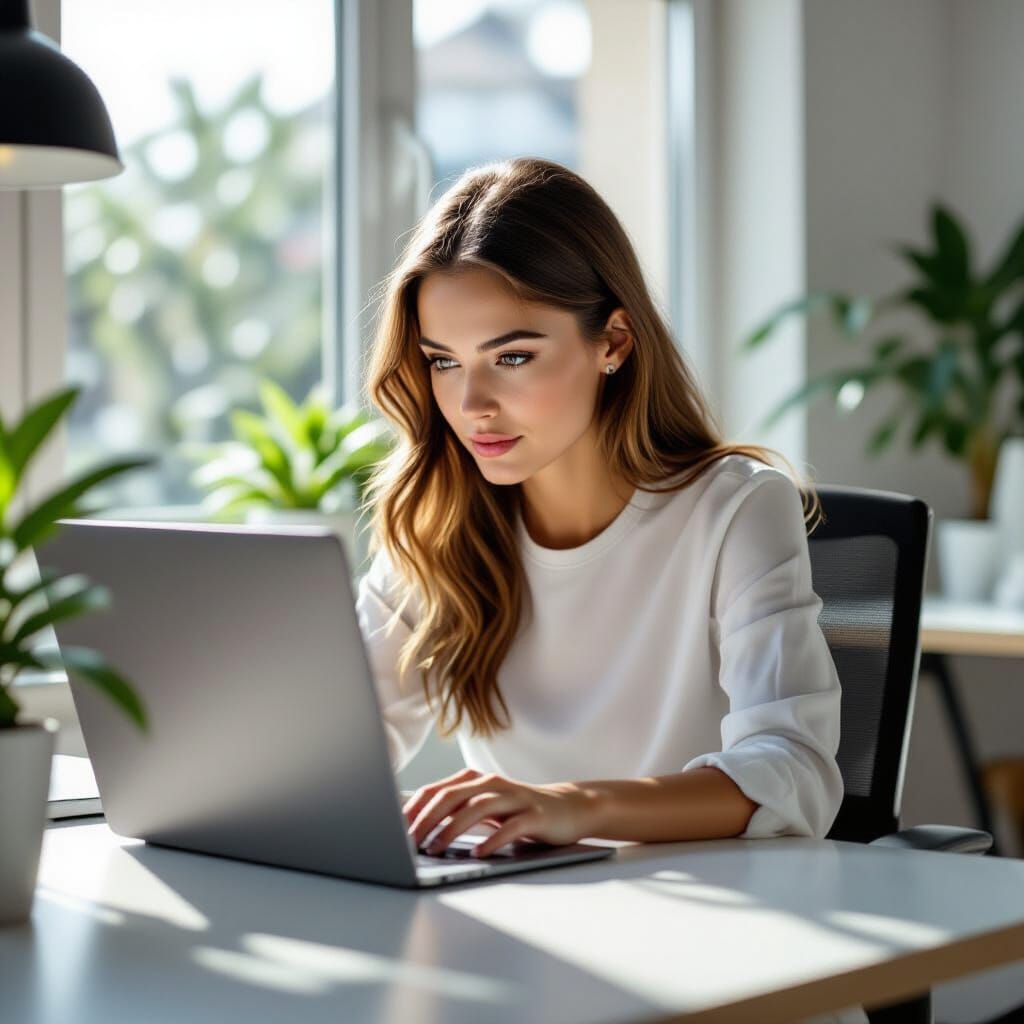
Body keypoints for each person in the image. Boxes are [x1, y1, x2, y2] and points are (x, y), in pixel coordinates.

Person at [355, 156, 866, 1022]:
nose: (471, 403)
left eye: (512, 356)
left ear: (613, 343)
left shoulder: (735, 509)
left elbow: (795, 774)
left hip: (729, 962)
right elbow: (340, 739)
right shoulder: (438, 518)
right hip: (532, 957)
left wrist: (572, 807)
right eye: (443, 362)